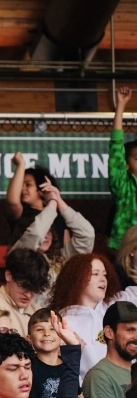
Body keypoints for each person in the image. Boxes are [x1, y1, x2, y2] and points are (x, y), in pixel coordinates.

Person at [51, 252, 137, 376]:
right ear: (78, 278)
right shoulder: (64, 322)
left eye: (105, 275)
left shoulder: (115, 307)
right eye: (95, 274)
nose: (103, 279)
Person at [10, 181, 93, 309]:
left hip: (57, 319)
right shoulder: (19, 255)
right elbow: (36, 233)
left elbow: (87, 235)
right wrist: (52, 203)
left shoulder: (61, 258)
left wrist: (58, 199)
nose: (46, 235)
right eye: (44, 229)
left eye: (50, 231)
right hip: (29, 319)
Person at [0, 247, 50, 336]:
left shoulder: (37, 310)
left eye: (35, 289)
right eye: (24, 286)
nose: (29, 295)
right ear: (8, 276)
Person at [5, 151, 56, 243]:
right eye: (20, 185)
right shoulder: (21, 213)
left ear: (42, 187)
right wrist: (21, 165)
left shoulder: (56, 216)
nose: (22, 189)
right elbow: (13, 202)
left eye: (28, 185)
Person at [110, 86, 137, 249]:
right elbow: (116, 147)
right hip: (124, 252)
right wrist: (120, 106)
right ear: (126, 165)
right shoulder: (122, 186)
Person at [29, 307, 71, 398]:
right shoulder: (27, 367)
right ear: (29, 339)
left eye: (52, 329)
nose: (46, 334)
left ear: (62, 336)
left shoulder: (68, 366)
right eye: (39, 329)